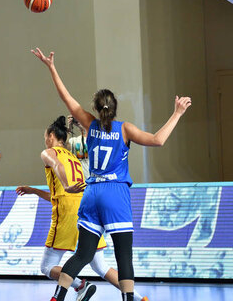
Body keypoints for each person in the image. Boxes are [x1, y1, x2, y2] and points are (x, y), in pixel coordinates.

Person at [32, 48, 191, 301]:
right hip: (115, 193)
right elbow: (158, 140)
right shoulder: (124, 129)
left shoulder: (90, 125)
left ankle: (59, 296)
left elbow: (66, 98)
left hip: (92, 193)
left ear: (96, 108)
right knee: (123, 256)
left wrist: (51, 67)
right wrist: (177, 113)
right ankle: (129, 299)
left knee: (82, 255)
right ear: (115, 108)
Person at [16, 116, 149, 301]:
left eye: (45, 136)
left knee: (47, 267)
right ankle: (138, 298)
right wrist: (34, 191)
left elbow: (57, 166)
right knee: (100, 266)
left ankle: (80, 285)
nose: (45, 140)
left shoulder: (49, 153)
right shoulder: (73, 157)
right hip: (86, 212)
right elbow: (58, 195)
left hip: (67, 215)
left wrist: (66, 184)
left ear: (51, 136)